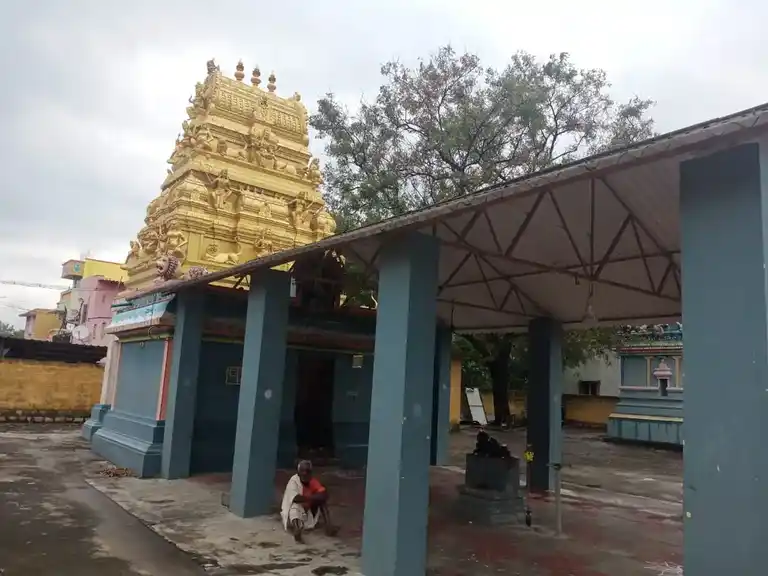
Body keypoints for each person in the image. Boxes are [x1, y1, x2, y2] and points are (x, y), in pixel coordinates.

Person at [280, 460, 338, 543]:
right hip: (293, 515)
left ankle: (329, 527)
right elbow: (296, 498)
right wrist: (314, 497)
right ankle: (297, 530)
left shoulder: (312, 481)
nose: (305, 474)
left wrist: (314, 498)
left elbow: (324, 494)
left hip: (307, 511)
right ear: (298, 473)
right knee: (295, 506)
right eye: (302, 471)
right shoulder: (294, 481)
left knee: (322, 502)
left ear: (310, 473)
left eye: (307, 472)